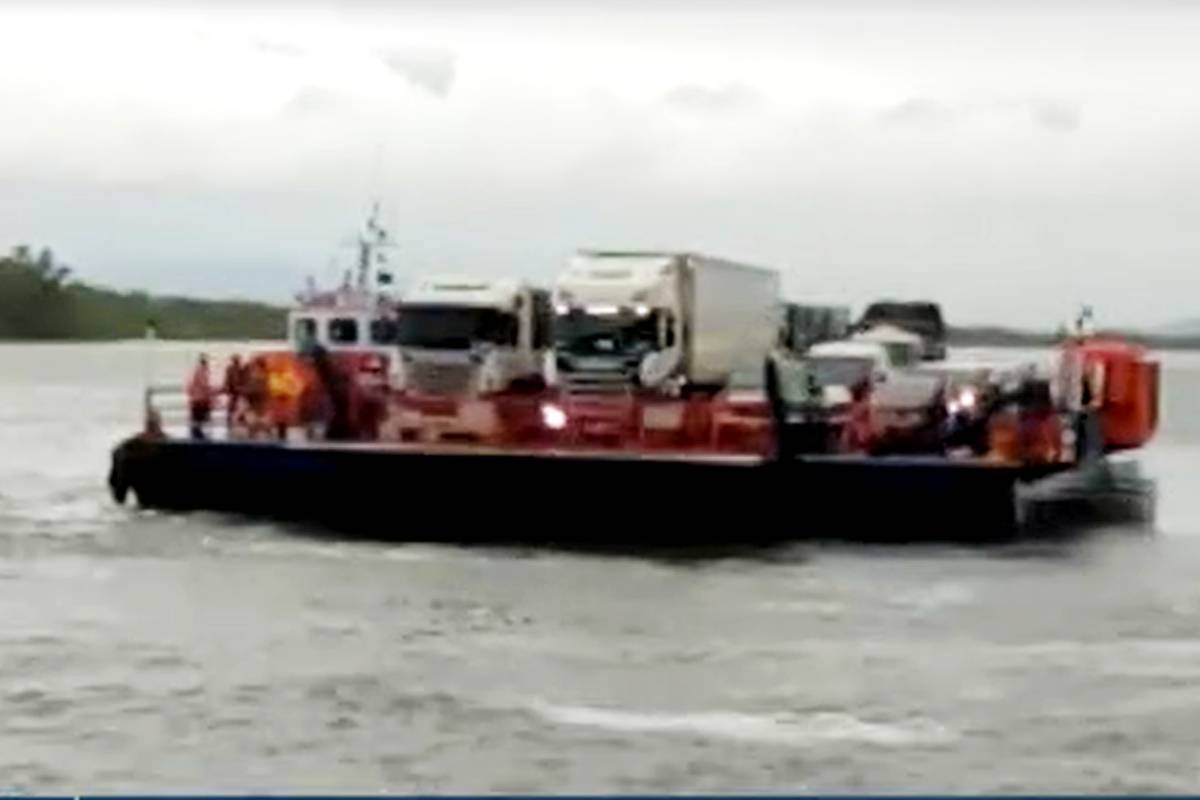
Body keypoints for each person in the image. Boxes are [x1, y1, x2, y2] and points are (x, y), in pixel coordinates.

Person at [187, 354, 215, 439]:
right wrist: (211, 392)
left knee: (198, 422)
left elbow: (193, 386)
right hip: (200, 400)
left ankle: (198, 435)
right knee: (199, 422)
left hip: (199, 400)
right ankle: (199, 437)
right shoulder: (201, 371)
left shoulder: (199, 371)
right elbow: (204, 385)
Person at [222, 354, 246, 430]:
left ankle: (241, 417)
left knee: (240, 404)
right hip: (233, 389)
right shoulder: (230, 369)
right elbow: (227, 379)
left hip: (238, 389)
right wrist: (226, 387)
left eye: (237, 360)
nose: (237, 361)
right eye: (236, 360)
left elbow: (243, 378)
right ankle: (231, 418)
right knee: (233, 404)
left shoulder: (240, 369)